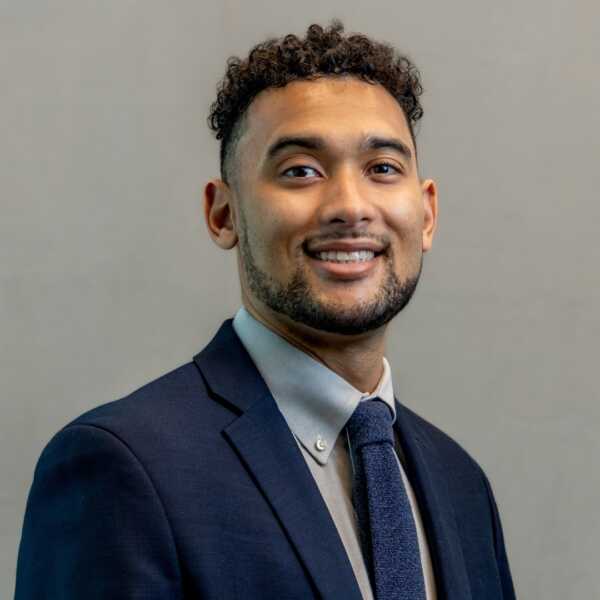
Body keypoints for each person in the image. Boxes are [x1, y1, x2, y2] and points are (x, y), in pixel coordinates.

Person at [15, 21, 516, 600]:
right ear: (223, 214)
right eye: (300, 170)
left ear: (426, 214)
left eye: (382, 168)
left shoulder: (462, 487)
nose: (350, 206)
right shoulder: (124, 466)